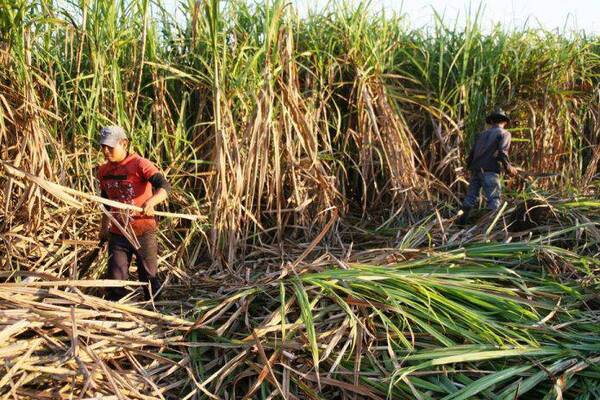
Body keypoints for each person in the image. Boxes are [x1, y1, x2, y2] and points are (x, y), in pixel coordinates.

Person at [97, 125, 171, 301]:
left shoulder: (139, 164)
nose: (106, 151)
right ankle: (114, 315)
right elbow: (106, 202)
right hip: (118, 233)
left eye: (110, 147)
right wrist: (103, 227)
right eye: (103, 147)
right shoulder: (103, 171)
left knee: (149, 278)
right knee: (115, 280)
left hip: (142, 231)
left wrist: (151, 201)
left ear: (124, 144)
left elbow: (165, 187)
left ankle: (156, 313)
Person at [458, 108, 518, 224]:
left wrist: (468, 167)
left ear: (491, 122)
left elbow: (471, 154)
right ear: (504, 122)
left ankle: (460, 224)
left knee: (469, 199)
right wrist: (509, 168)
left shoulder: (481, 135)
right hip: (490, 171)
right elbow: (502, 152)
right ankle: (492, 228)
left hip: (476, 170)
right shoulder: (505, 133)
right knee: (494, 200)